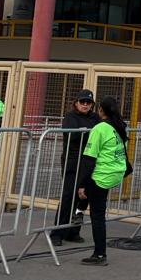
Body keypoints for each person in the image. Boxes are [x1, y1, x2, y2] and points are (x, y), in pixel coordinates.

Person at [76, 96, 129, 266]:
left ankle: (100, 254)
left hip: (102, 174)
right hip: (115, 172)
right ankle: (79, 211)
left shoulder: (99, 128)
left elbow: (89, 159)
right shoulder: (118, 127)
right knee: (93, 202)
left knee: (97, 214)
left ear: (100, 111)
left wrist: (82, 184)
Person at [50, 91, 99, 244]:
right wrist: (90, 133)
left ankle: (73, 230)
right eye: (82, 101)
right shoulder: (70, 117)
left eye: (88, 102)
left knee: (83, 198)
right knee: (69, 195)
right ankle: (57, 233)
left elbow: (100, 134)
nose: (85, 105)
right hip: (72, 161)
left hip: (89, 161)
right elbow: (73, 135)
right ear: (76, 102)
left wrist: (87, 132)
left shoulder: (95, 118)